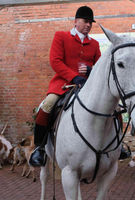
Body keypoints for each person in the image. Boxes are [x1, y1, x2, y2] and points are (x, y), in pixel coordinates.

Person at [29, 6, 101, 167]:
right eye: (85, 21)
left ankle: (119, 146)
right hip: (63, 85)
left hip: (88, 86)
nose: (88, 25)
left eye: (91, 22)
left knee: (113, 105)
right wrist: (74, 77)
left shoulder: (94, 44)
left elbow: (100, 67)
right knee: (47, 106)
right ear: (76, 22)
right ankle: (39, 148)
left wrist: (91, 71)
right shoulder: (61, 36)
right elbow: (55, 61)